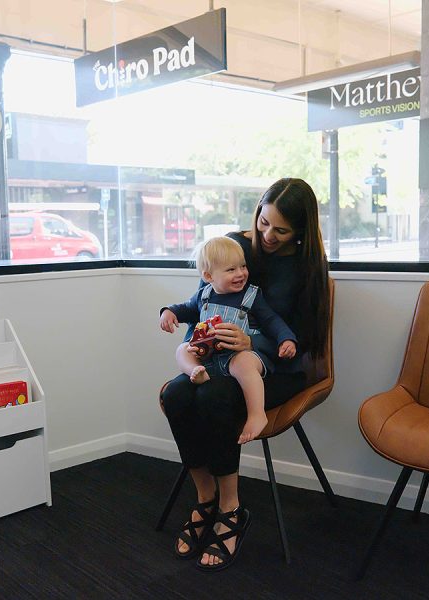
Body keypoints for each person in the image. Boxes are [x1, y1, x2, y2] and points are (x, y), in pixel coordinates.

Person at [160, 178, 330, 571]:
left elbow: (301, 340)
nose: (267, 235)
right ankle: (205, 498)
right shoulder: (232, 245)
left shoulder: (307, 267)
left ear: (301, 231)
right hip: (218, 363)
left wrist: (251, 344)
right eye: (263, 222)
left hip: (273, 368)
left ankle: (231, 509)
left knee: (216, 396)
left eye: (281, 230)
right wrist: (199, 346)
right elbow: (201, 304)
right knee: (177, 395)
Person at [160, 236, 298, 445]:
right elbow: (185, 308)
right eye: (231, 270)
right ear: (208, 276)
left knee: (243, 363)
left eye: (242, 266)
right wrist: (169, 312)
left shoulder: (251, 296)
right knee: (182, 349)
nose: (241, 273)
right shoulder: (203, 295)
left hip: (239, 357)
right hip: (208, 359)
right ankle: (195, 372)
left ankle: (256, 414)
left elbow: (272, 320)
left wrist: (286, 339)